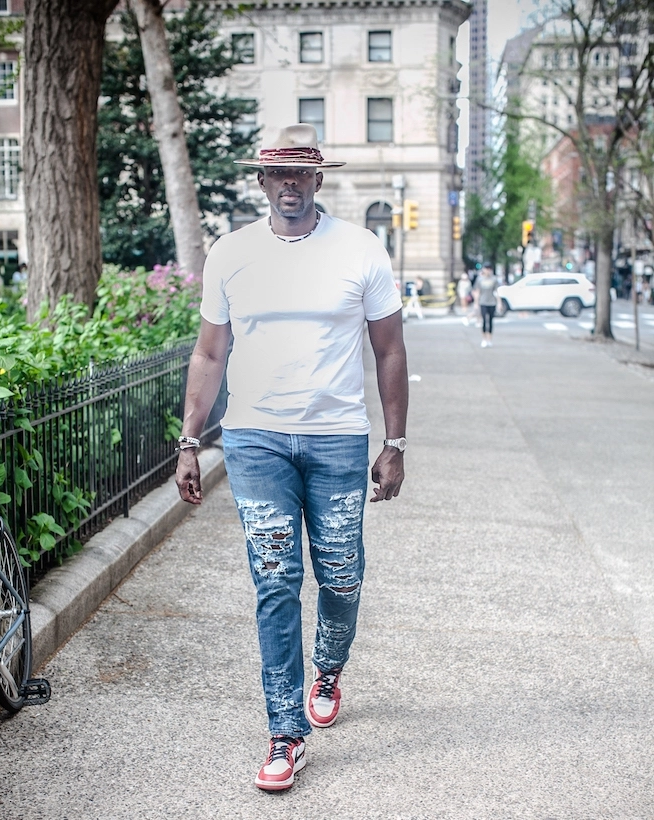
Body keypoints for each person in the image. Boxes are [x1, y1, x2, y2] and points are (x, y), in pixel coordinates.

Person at [175, 124, 408, 792]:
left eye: (300, 175)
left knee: (339, 576)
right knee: (276, 583)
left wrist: (394, 443)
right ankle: (285, 732)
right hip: (256, 441)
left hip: (338, 439)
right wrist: (190, 440)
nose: (289, 186)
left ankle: (328, 666)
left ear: (318, 181)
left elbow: (388, 349)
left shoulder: (360, 250)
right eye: (277, 175)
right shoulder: (232, 254)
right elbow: (210, 353)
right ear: (261, 182)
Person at [473, 262, 500, 347]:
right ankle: (484, 339)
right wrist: (476, 303)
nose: (488, 270)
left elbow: (497, 291)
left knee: (491, 321)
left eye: (489, 269)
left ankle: (490, 339)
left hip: (492, 302)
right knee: (484, 320)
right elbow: (477, 291)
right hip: (483, 302)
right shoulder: (479, 279)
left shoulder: (494, 279)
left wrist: (499, 303)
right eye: (486, 268)